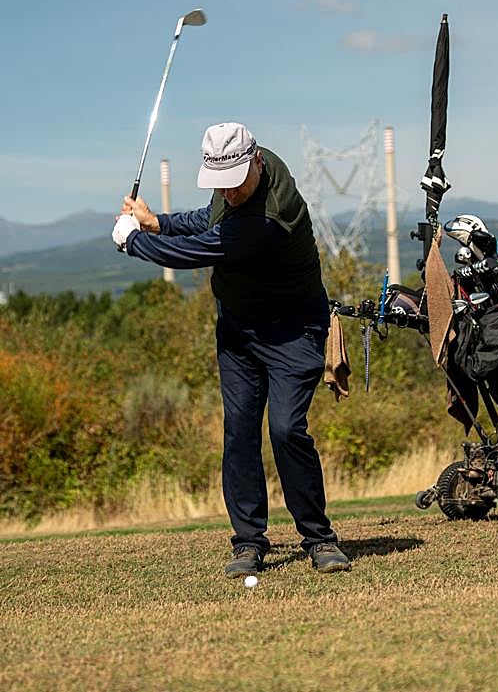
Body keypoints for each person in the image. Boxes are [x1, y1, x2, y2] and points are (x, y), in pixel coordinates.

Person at [112, 121, 351, 576]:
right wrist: (158, 222)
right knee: (239, 432)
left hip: (293, 330)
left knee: (286, 430)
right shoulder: (237, 183)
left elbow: (200, 250)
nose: (229, 192)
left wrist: (133, 241)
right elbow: (210, 217)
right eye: (220, 183)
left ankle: (319, 538)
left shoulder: (271, 215)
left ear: (256, 161)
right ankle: (248, 542)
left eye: (235, 182)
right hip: (240, 330)